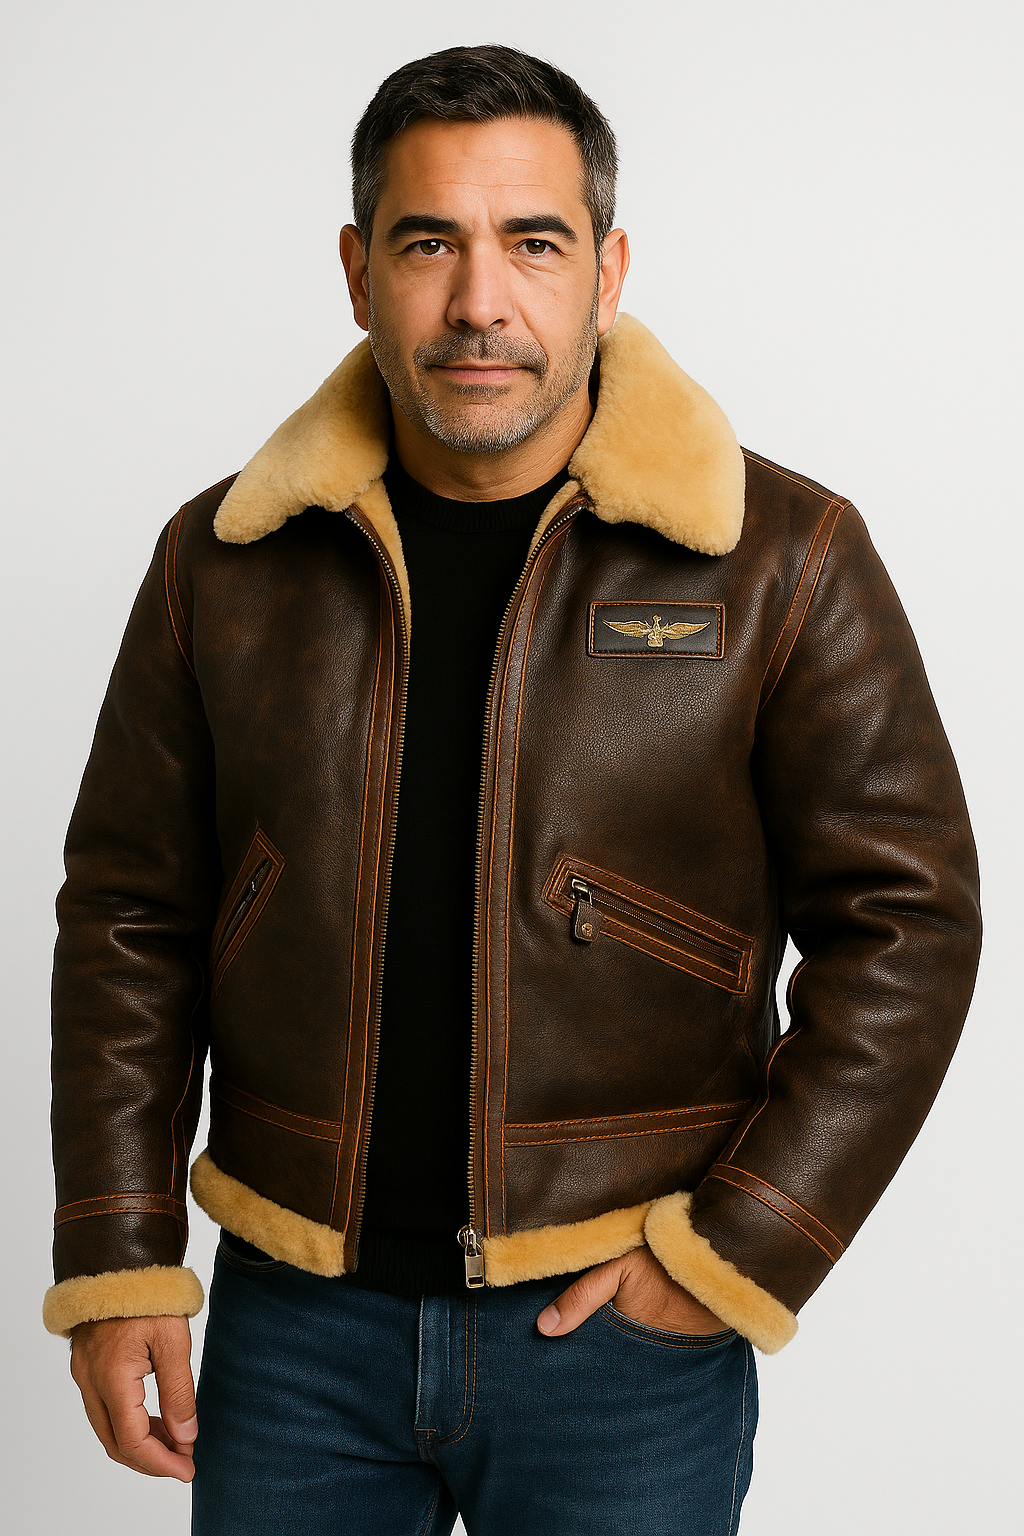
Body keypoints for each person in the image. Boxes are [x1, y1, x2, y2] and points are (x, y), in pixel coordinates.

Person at [44, 43, 982, 1536]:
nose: (481, 300)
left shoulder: (779, 559)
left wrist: (740, 1244)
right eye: (429, 243)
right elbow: (128, 916)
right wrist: (117, 1252)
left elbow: (910, 923)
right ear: (357, 271)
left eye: (533, 242)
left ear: (609, 269)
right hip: (295, 1327)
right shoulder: (223, 563)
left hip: (616, 1339)